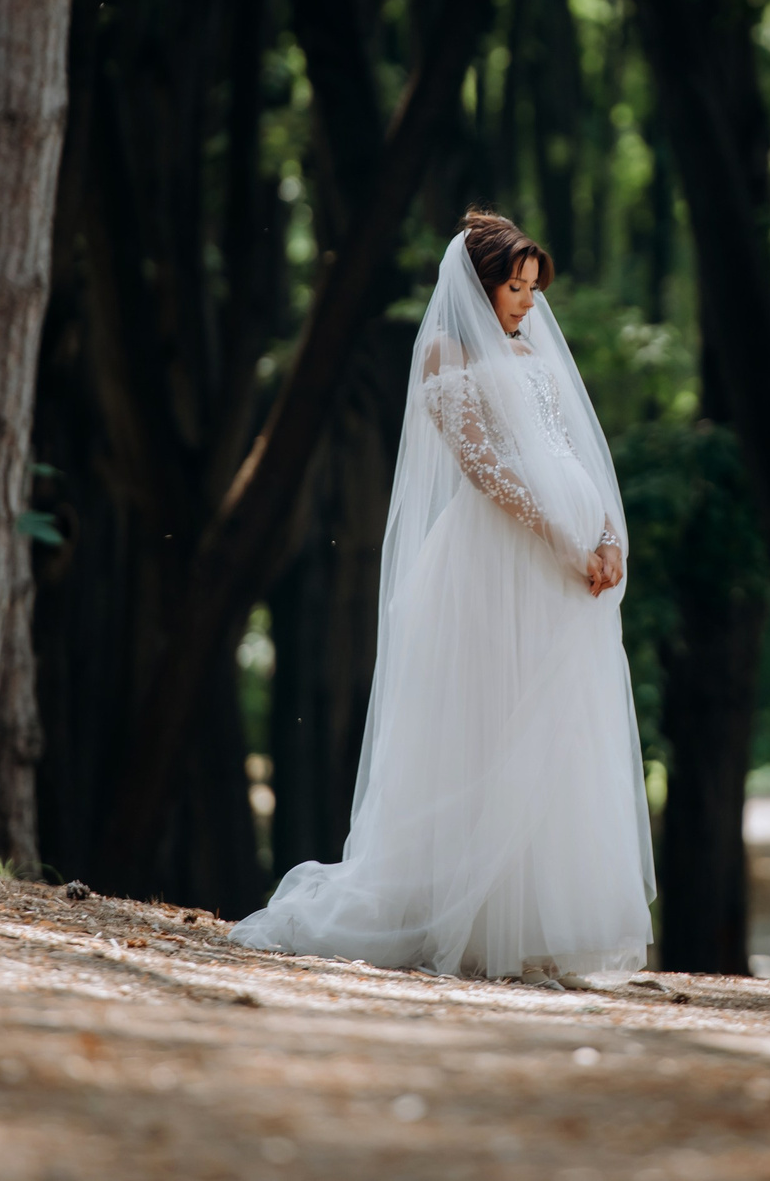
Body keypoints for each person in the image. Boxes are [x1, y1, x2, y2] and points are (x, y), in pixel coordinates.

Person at [227, 212, 655, 987]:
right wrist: (560, 533)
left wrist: (606, 540)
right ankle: (468, 913)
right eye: (514, 286)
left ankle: (540, 925)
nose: (527, 302)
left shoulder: (533, 350)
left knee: (558, 726)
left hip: (565, 565)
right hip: (495, 561)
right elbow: (481, 464)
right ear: (480, 282)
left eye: (532, 288)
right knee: (489, 723)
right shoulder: (444, 351)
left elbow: (574, 447)